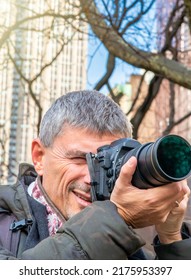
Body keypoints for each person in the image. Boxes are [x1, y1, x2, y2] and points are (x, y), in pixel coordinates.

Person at [0, 90, 191, 260]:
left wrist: (171, 239)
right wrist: (119, 219)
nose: (92, 178)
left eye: (106, 163)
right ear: (39, 157)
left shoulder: (132, 251)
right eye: (79, 159)